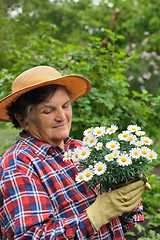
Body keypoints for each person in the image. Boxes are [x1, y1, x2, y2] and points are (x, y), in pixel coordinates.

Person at [0, 65, 148, 240]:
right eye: (48, 110)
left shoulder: (83, 150)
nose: (62, 116)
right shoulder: (18, 165)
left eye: (65, 105)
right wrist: (93, 216)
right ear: (22, 119)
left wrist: (126, 197)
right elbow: (30, 236)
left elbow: (122, 225)